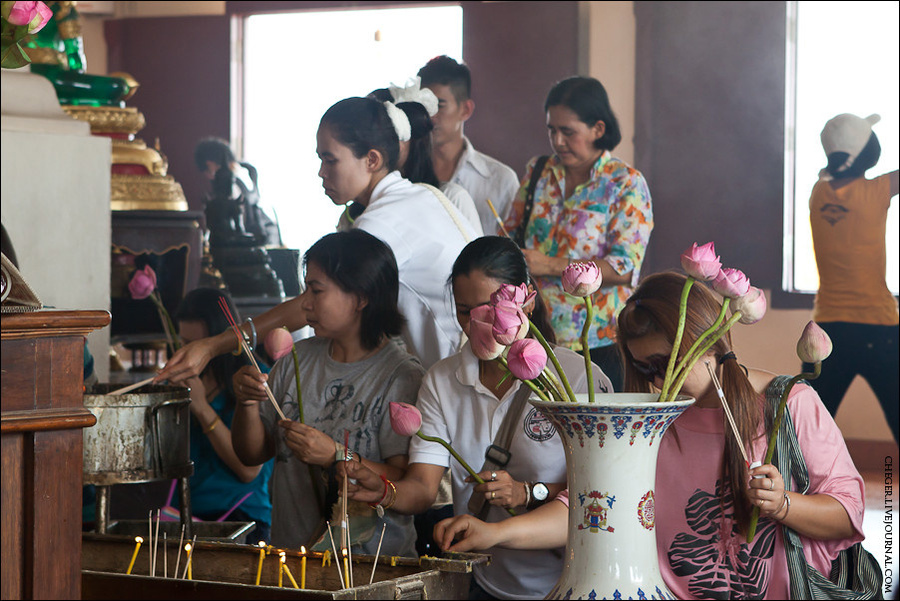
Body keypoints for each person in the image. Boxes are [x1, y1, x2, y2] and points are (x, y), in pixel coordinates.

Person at [435, 271, 866, 600]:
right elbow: (591, 508)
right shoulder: (649, 421)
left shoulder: (789, 403)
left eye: (665, 361)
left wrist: (783, 503)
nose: (661, 379)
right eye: (645, 369)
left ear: (707, 340)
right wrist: (493, 535)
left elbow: (847, 514)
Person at [343, 236, 613, 600]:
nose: (476, 325)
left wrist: (527, 492)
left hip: (573, 584)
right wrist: (386, 493)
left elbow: (598, 497)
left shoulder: (577, 378)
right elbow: (423, 486)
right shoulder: (442, 380)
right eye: (464, 311)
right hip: (487, 582)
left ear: (527, 301)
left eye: (491, 307)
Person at [155, 96, 479, 385]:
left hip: (462, 375)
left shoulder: (383, 220)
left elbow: (312, 303)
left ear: (372, 160)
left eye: (331, 159)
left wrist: (214, 345)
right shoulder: (421, 196)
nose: (322, 173)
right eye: (320, 159)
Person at [230, 230, 425, 556]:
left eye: (316, 290)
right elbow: (252, 454)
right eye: (306, 288)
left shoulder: (401, 376)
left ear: (361, 297)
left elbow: (407, 481)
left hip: (371, 566)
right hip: (293, 559)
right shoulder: (295, 359)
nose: (304, 302)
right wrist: (247, 403)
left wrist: (335, 454)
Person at [502, 75, 654, 393]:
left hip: (600, 341)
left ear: (598, 129)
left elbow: (623, 269)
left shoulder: (625, 183)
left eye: (567, 132)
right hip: (537, 335)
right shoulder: (538, 172)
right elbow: (511, 231)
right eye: (551, 130)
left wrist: (549, 264)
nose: (557, 141)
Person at [806, 113, 899, 444]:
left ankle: (792, 492)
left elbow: (830, 174)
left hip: (827, 331)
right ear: (869, 154)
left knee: (806, 424)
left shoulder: (818, 194)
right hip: (880, 326)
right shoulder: (878, 190)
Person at [171, 287, 274, 545]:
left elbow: (249, 470)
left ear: (220, 341)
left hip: (242, 519)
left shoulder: (255, 376)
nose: (189, 353)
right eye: (182, 343)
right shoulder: (192, 378)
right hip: (182, 514)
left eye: (197, 345)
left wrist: (203, 408)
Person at [339, 81, 483, 234]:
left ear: (407, 137)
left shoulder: (451, 198)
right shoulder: (355, 213)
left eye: (384, 136)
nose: (374, 146)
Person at [418, 55, 520, 235]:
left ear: (465, 109)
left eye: (439, 106)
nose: (430, 116)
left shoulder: (500, 179)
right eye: (423, 106)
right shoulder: (408, 173)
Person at [194, 136, 282, 247]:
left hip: (255, 244)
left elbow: (237, 225)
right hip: (271, 239)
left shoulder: (230, 183)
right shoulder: (247, 171)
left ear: (210, 164)